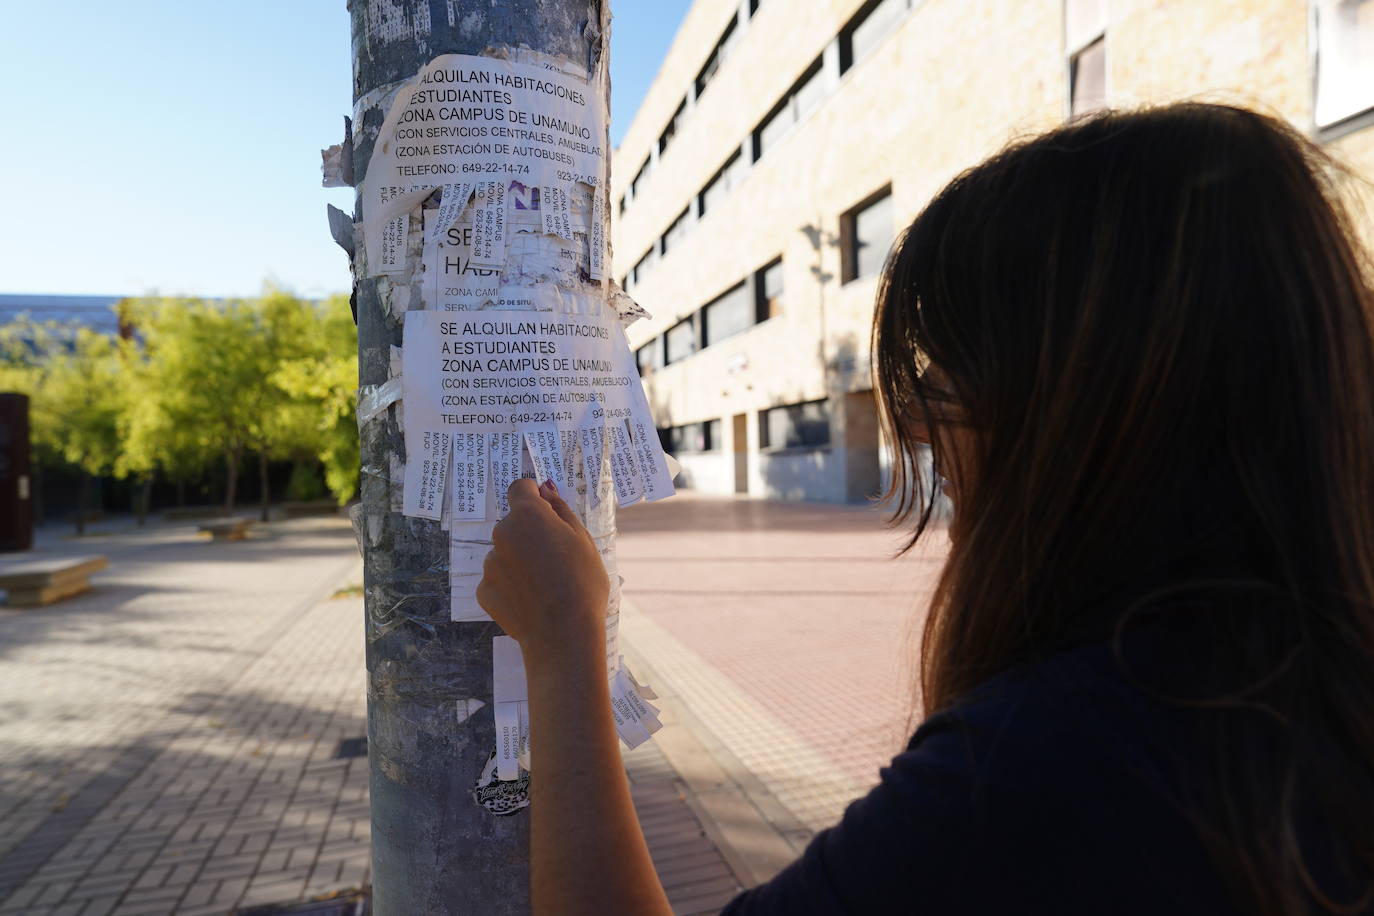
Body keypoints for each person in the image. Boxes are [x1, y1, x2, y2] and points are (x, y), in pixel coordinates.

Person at [476, 103, 1374, 915]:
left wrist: (561, 645)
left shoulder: (1061, 760)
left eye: (944, 376)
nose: (914, 425)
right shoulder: (1310, 676)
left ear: (1076, 397)